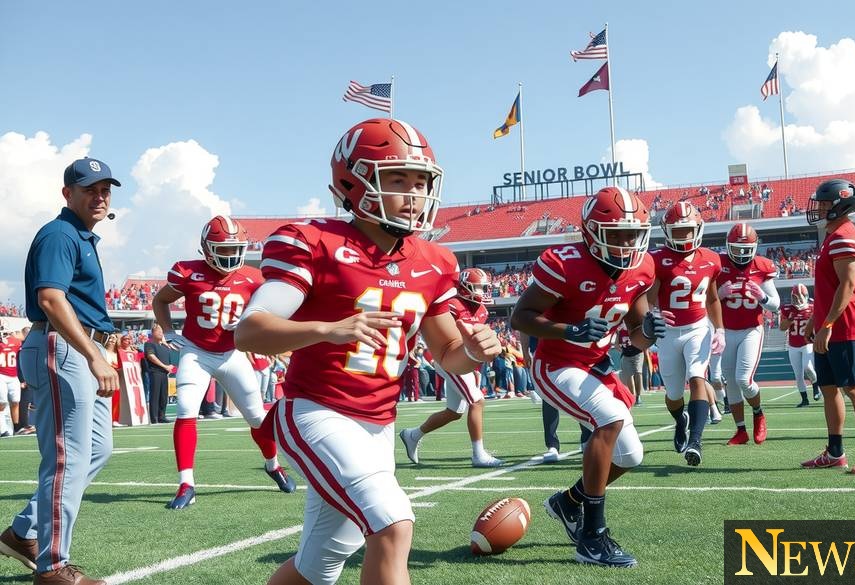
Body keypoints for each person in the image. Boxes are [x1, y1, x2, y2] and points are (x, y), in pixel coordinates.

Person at [234, 117, 501, 585]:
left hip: (379, 423)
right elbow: (251, 331)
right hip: (316, 412)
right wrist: (328, 328)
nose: (414, 194)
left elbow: (448, 352)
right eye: (397, 178)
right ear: (350, 182)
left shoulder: (434, 260)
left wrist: (475, 353)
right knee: (394, 524)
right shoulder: (314, 241)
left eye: (421, 181)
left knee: (321, 563)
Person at [512, 186, 665, 568]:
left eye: (633, 233)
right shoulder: (564, 263)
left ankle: (569, 502)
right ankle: (592, 538)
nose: (627, 242)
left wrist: (649, 329)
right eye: (617, 233)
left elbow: (634, 336)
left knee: (632, 454)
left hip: (594, 365)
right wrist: (570, 329)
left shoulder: (642, 267)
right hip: (556, 363)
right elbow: (521, 317)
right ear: (592, 231)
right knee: (609, 419)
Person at [0, 157, 122, 584]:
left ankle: (23, 533)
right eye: (90, 188)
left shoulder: (81, 236)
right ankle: (52, 568)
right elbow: (52, 299)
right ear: (67, 192)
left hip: (76, 346)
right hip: (63, 346)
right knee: (67, 461)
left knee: (96, 450)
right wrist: (92, 353)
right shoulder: (60, 233)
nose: (100, 196)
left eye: (106, 189)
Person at [152, 215, 295, 510]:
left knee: (257, 417)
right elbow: (160, 300)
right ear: (206, 248)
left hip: (232, 354)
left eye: (234, 249)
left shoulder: (253, 278)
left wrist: (247, 322)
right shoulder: (187, 272)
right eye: (223, 249)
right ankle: (186, 483)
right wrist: (167, 330)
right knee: (186, 410)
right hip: (196, 351)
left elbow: (270, 311)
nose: (230, 256)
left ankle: (273, 465)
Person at [800, 178, 855, 474]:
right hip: (830, 325)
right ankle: (835, 451)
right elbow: (828, 287)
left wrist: (829, 323)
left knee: (854, 388)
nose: (819, 208)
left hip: (845, 326)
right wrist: (815, 319)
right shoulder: (833, 236)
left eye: (824, 204)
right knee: (829, 388)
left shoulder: (845, 236)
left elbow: (847, 287)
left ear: (840, 205)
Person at [399, 268, 504, 468]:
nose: (482, 292)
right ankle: (478, 454)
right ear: (465, 287)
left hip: (465, 361)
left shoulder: (481, 310)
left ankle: (412, 434)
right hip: (447, 359)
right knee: (477, 401)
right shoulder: (452, 305)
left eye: (484, 287)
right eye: (478, 287)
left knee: (454, 412)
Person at [647, 200, 723, 466]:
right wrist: (652, 314)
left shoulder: (712, 259)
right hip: (668, 332)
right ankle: (681, 420)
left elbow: (713, 299)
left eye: (687, 230)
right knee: (673, 394)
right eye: (677, 231)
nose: (683, 236)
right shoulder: (657, 259)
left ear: (698, 229)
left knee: (698, 378)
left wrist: (720, 329)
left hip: (698, 327)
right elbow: (648, 298)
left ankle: (696, 441)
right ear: (667, 231)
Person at [717, 223, 779, 445]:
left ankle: (758, 413)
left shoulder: (762, 266)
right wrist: (718, 293)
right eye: (737, 248)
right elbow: (704, 297)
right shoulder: (719, 264)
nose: (742, 254)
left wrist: (762, 297)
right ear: (728, 246)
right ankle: (740, 430)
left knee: (744, 379)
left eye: (746, 249)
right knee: (731, 382)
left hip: (751, 329)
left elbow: (775, 304)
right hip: (726, 330)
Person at [779, 283, 820, 407]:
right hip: (793, 345)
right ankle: (804, 400)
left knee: (807, 367)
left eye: (799, 297)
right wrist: (790, 319)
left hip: (807, 343)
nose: (796, 300)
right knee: (798, 374)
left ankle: (815, 385)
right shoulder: (787, 309)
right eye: (794, 297)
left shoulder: (813, 308)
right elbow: (782, 327)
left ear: (806, 296)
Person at [145, 325, 174, 423]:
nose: (161, 333)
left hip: (164, 374)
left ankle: (162, 416)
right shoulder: (149, 344)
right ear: (153, 333)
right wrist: (164, 366)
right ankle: (154, 418)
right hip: (155, 372)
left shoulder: (165, 347)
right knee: (155, 395)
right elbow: (151, 356)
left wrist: (169, 367)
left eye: (162, 331)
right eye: (158, 331)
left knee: (163, 396)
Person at [0, 326, 22, 436]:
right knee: (2, 402)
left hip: (13, 376)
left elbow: (22, 337)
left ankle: (16, 428)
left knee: (15, 401)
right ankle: (2, 428)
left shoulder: (15, 341)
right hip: (1, 375)